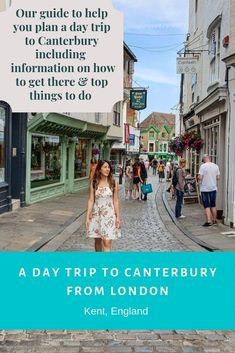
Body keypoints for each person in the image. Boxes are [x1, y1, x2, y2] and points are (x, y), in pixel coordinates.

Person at [85, 160, 121, 252]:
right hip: (96, 215)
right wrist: (87, 217)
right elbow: (91, 200)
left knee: (107, 242)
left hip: (109, 216)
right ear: (99, 169)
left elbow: (116, 200)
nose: (107, 169)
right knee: (98, 241)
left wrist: (118, 217)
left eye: (108, 167)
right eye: (105, 167)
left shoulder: (113, 183)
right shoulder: (94, 183)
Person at [198, 155, 220, 227]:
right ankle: (214, 220)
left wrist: (199, 178)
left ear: (205, 159)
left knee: (206, 205)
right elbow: (218, 177)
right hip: (213, 188)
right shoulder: (216, 166)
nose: (203, 161)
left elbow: (200, 177)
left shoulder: (203, 166)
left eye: (203, 160)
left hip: (205, 188)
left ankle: (208, 221)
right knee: (213, 204)